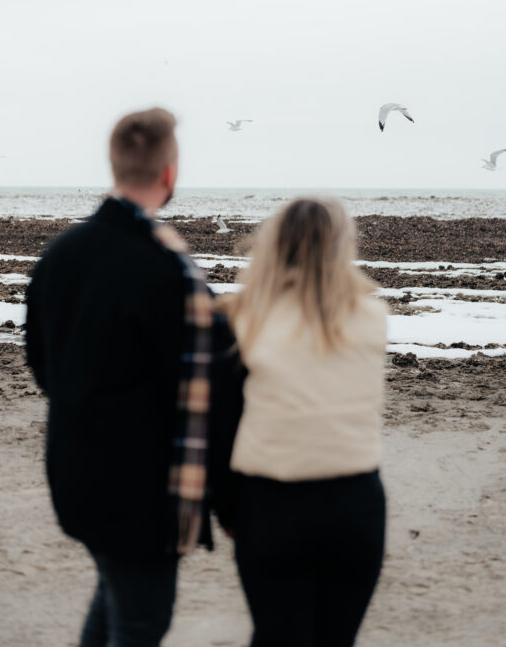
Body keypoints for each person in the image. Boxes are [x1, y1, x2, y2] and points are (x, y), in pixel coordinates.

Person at [25, 108, 242, 647]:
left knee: (116, 599)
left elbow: (40, 361)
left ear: (115, 163)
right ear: (169, 172)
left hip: (74, 473)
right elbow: (211, 391)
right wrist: (233, 500)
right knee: (141, 623)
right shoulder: (170, 271)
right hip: (143, 490)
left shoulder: (60, 254)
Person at [221, 197, 387, 647]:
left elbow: (224, 422)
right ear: (342, 246)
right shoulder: (372, 316)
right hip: (356, 502)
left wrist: (227, 508)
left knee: (277, 636)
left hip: (272, 502)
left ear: (273, 246)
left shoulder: (243, 319)